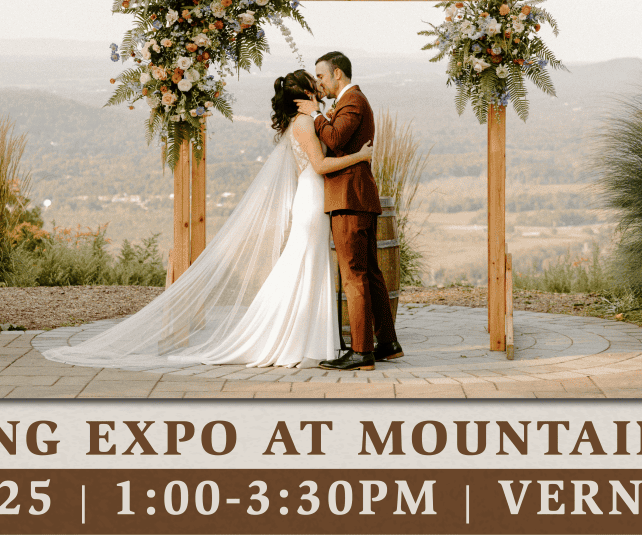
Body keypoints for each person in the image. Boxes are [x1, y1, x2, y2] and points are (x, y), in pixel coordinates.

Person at [39, 69, 371, 369]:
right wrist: (360, 156)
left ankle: (311, 340)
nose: (319, 87)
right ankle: (301, 341)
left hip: (311, 199)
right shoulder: (303, 124)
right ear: (305, 95)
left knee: (308, 267)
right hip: (312, 199)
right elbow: (319, 166)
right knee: (307, 266)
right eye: (314, 85)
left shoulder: (302, 121)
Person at [294, 51, 403, 371]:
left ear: (337, 74)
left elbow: (335, 137)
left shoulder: (353, 101)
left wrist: (316, 114)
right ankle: (387, 343)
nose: (319, 83)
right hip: (357, 197)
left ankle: (361, 352)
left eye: (322, 77)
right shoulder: (348, 103)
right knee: (370, 273)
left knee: (354, 276)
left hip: (349, 198)